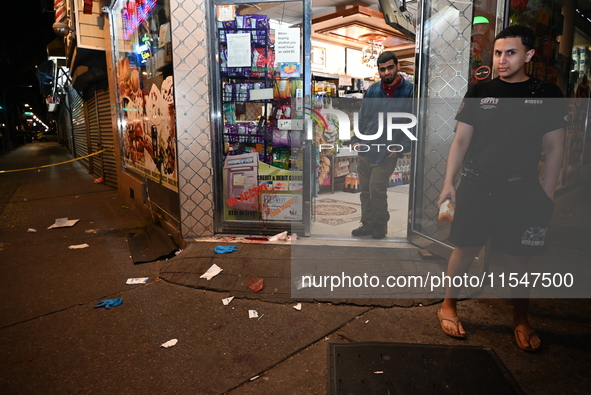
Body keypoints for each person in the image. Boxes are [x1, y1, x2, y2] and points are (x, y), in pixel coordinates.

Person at [436, 25, 567, 351]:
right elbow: (460, 140)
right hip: (478, 185)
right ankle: (448, 305)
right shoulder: (480, 92)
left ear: (529, 54)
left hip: (521, 189)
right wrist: (448, 182)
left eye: (510, 52)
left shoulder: (547, 94)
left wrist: (546, 196)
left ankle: (521, 318)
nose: (502, 59)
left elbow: (554, 149)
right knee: (465, 249)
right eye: (497, 53)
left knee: (519, 258)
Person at [350, 51, 414, 239]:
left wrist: (401, 146)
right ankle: (367, 224)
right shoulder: (372, 90)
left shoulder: (410, 91)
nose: (386, 72)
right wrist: (356, 139)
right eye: (382, 69)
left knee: (376, 189)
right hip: (366, 148)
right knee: (365, 190)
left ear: (397, 66)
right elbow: (363, 116)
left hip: (387, 151)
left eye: (390, 67)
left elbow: (414, 121)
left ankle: (380, 224)